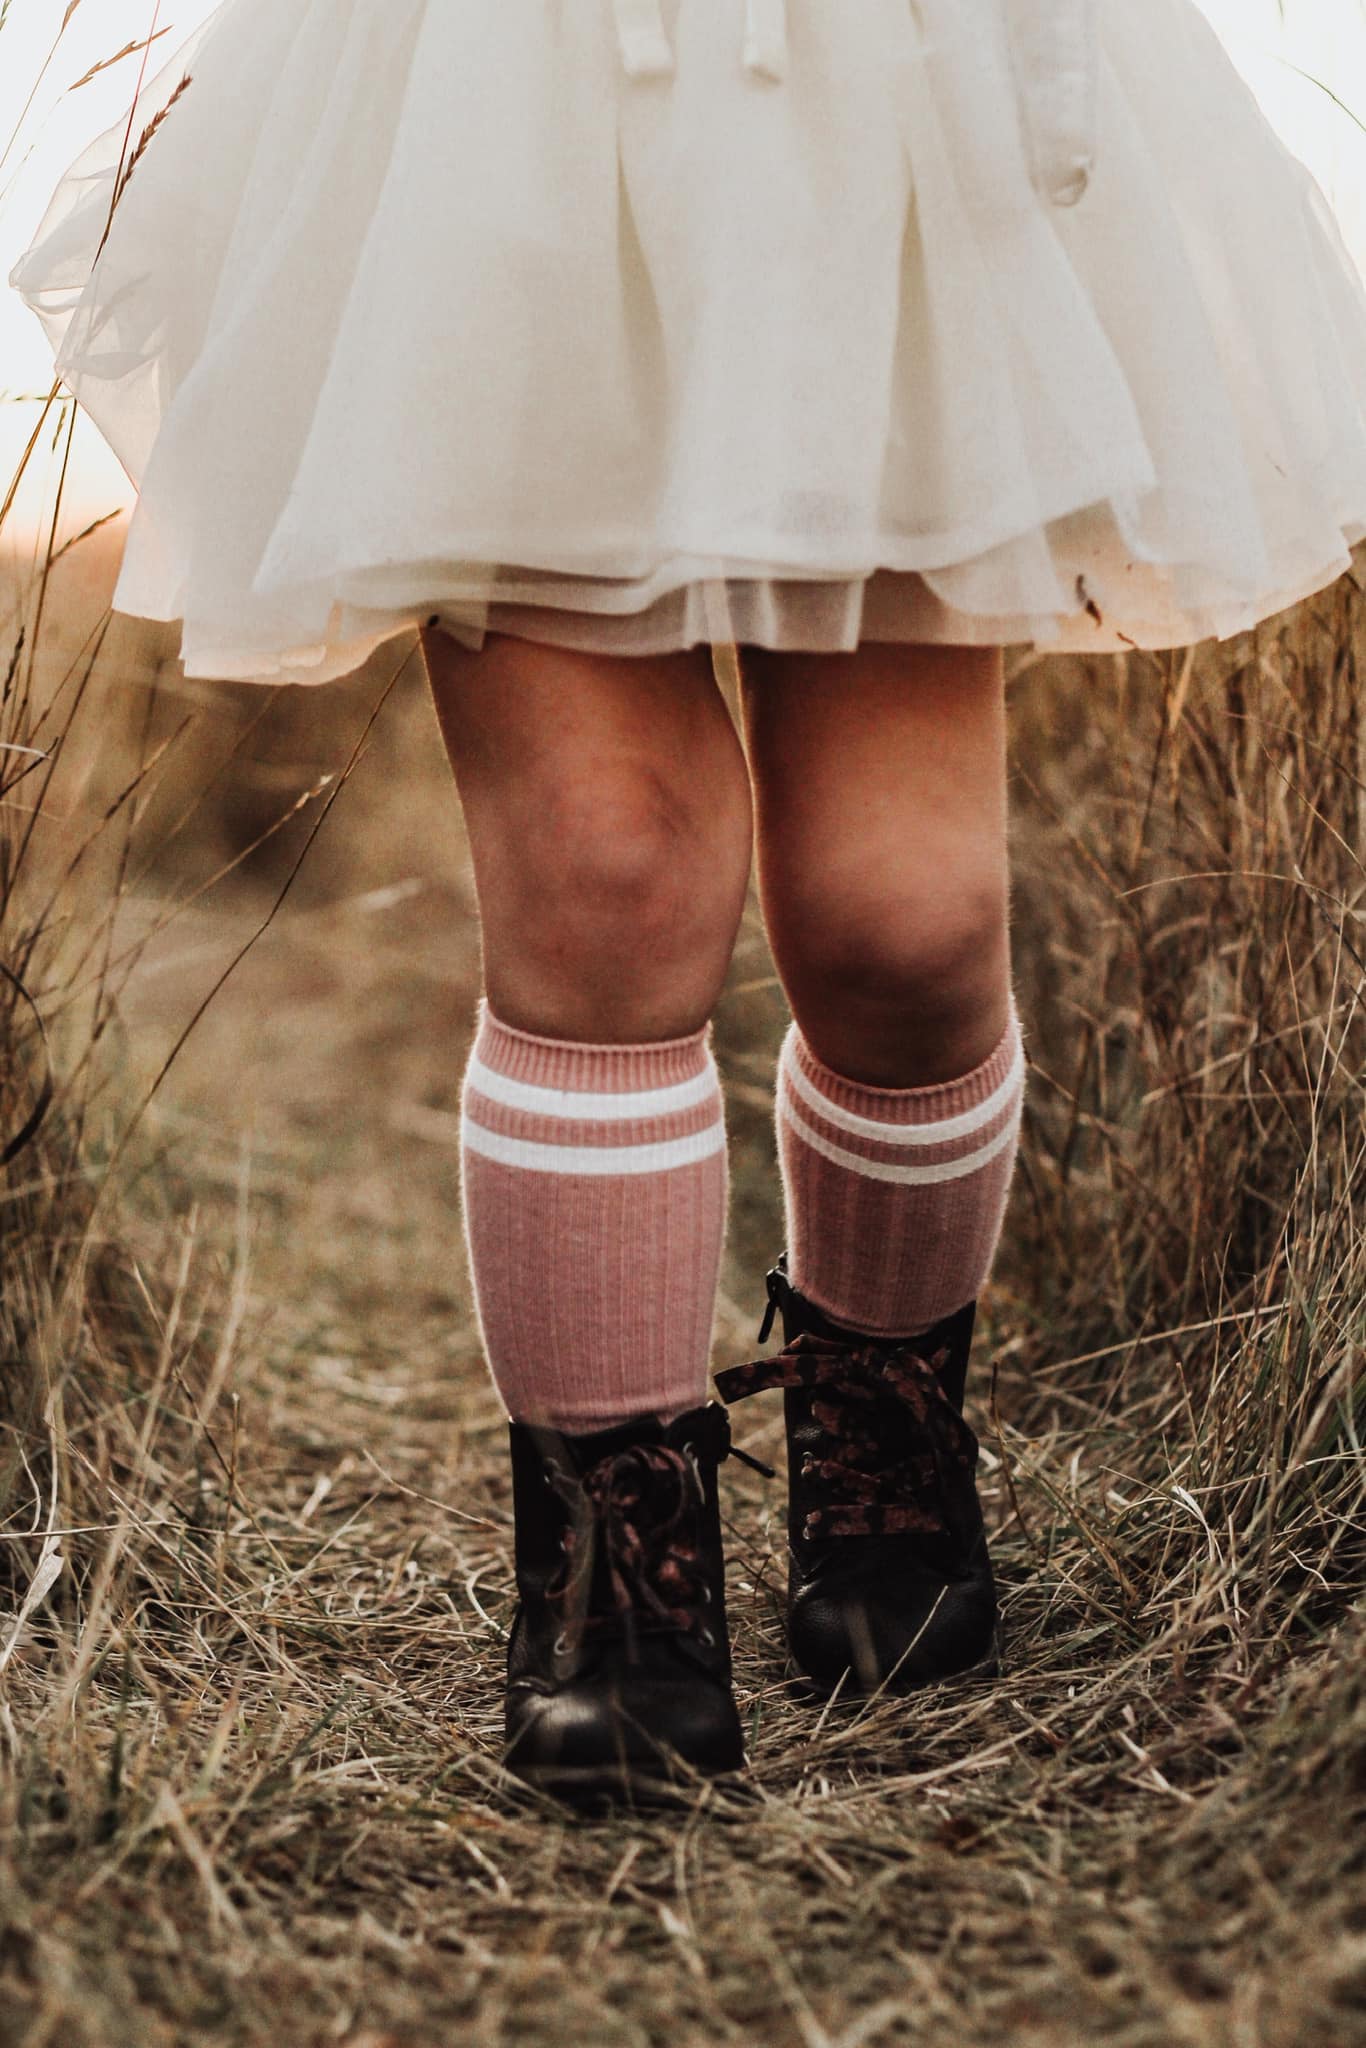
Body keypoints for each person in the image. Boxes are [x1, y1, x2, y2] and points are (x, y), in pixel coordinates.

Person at [11, 0, 1366, 1804]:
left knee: (909, 929)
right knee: (609, 870)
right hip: (509, 91)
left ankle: (880, 1436)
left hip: (897, 88)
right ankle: (609, 1574)